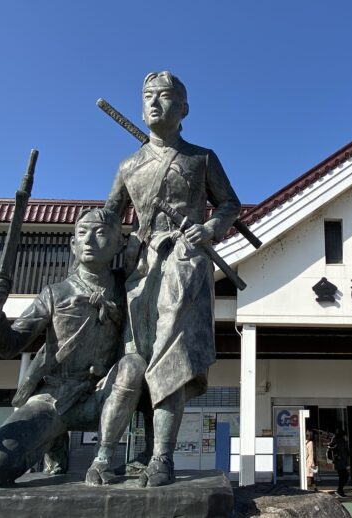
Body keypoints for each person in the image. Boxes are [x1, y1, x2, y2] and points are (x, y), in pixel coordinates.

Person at [99, 71, 241, 487]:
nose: (155, 104)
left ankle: (162, 457)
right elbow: (109, 216)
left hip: (184, 267)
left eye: (165, 97)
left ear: (184, 109)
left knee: (171, 357)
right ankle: (112, 455)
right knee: (135, 358)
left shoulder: (201, 158)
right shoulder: (129, 164)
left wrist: (210, 229)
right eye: (148, 97)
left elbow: (229, 203)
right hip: (140, 271)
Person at [0, 208, 145, 487]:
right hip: (54, 396)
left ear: (119, 244)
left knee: (133, 365)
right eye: (82, 234)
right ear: (72, 245)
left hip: (105, 394)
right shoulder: (54, 294)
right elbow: (10, 347)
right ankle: (53, 442)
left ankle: (102, 460)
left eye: (101, 233)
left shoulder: (129, 288)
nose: (90, 240)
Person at [328, 428, 350, 498]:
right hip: (341, 462)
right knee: (345, 476)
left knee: (342, 476)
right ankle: (339, 490)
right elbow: (344, 454)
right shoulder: (342, 442)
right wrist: (347, 464)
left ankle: (340, 491)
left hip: (337, 461)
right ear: (343, 435)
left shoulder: (335, 440)